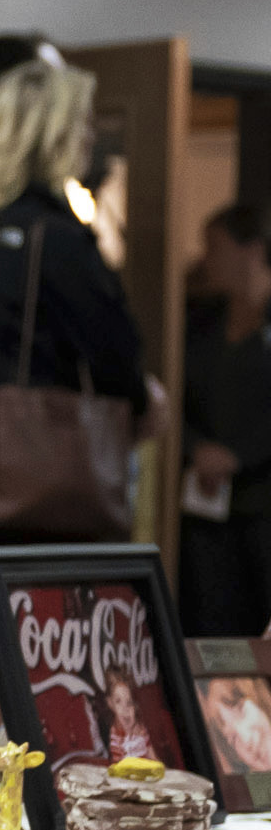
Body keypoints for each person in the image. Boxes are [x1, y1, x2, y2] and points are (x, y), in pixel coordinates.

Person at [0, 49, 143, 535]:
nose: (90, 136)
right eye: (83, 123)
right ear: (56, 134)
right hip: (32, 481)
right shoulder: (58, 239)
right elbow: (115, 356)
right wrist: (148, 403)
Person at [185, 206, 271, 639]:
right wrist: (197, 448)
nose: (207, 259)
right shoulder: (200, 321)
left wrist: (240, 456)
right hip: (208, 510)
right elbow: (180, 397)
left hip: (263, 505)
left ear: (251, 250)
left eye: (215, 247)